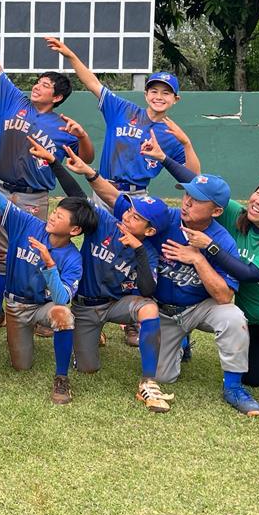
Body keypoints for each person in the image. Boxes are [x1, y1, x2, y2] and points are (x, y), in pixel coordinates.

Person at [74, 140, 259, 416]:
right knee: (162, 377)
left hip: (199, 308)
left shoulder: (221, 241)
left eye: (197, 201)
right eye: (187, 195)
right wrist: (90, 174)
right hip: (163, 311)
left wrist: (198, 257)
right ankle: (181, 344)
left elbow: (223, 296)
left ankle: (233, 387)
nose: (187, 203)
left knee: (233, 317)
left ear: (216, 211)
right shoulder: (165, 220)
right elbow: (118, 202)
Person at [142, 136, 259, 426]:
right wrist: (163, 159)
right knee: (257, 376)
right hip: (253, 314)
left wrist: (206, 249)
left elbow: (247, 275)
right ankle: (190, 339)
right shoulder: (238, 215)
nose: (258, 200)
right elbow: (202, 188)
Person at [45, 36, 201, 348]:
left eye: (166, 93)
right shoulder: (123, 109)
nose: (159, 96)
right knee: (93, 244)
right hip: (102, 186)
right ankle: (89, 308)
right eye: (154, 90)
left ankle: (130, 320)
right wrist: (71, 55)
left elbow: (195, 178)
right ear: (146, 93)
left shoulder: (172, 134)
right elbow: (93, 83)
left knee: (130, 251)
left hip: (137, 197)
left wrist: (185, 144)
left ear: (176, 100)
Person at [0, 13, 93, 336]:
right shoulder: (14, 101)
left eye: (44, 85)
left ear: (56, 96)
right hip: (2, 188)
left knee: (31, 249)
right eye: (38, 82)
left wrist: (82, 135)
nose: (37, 87)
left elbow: (84, 160)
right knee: (2, 252)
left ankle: (38, 307)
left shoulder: (61, 125)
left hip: (34, 195)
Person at [27, 139, 174, 412]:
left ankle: (148, 382)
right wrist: (55, 163)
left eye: (136, 217)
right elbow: (78, 200)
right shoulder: (106, 223)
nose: (128, 216)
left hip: (116, 306)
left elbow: (146, 289)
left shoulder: (149, 252)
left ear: (150, 231)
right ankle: (90, 339)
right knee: (87, 368)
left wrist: (140, 251)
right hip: (85, 305)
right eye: (129, 211)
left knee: (149, 308)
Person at [0, 163, 99, 404]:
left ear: (75, 229)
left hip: (43, 306)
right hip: (16, 307)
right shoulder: (28, 224)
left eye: (60, 216)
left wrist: (49, 264)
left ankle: (61, 378)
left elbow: (61, 299)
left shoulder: (72, 258)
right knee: (21, 365)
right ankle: (4, 332)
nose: (53, 215)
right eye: (55, 211)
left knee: (63, 314)